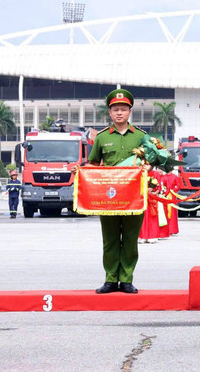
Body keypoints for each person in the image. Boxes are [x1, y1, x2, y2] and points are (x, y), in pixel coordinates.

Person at [86, 88, 146, 294]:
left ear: (130, 112)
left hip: (134, 197)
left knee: (130, 239)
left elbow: (151, 161)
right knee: (110, 239)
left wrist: (148, 167)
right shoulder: (102, 138)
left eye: (123, 109)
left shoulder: (141, 137)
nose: (119, 113)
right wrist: (83, 171)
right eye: (115, 109)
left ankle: (126, 279)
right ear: (110, 113)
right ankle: (111, 279)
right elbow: (93, 164)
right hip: (109, 197)